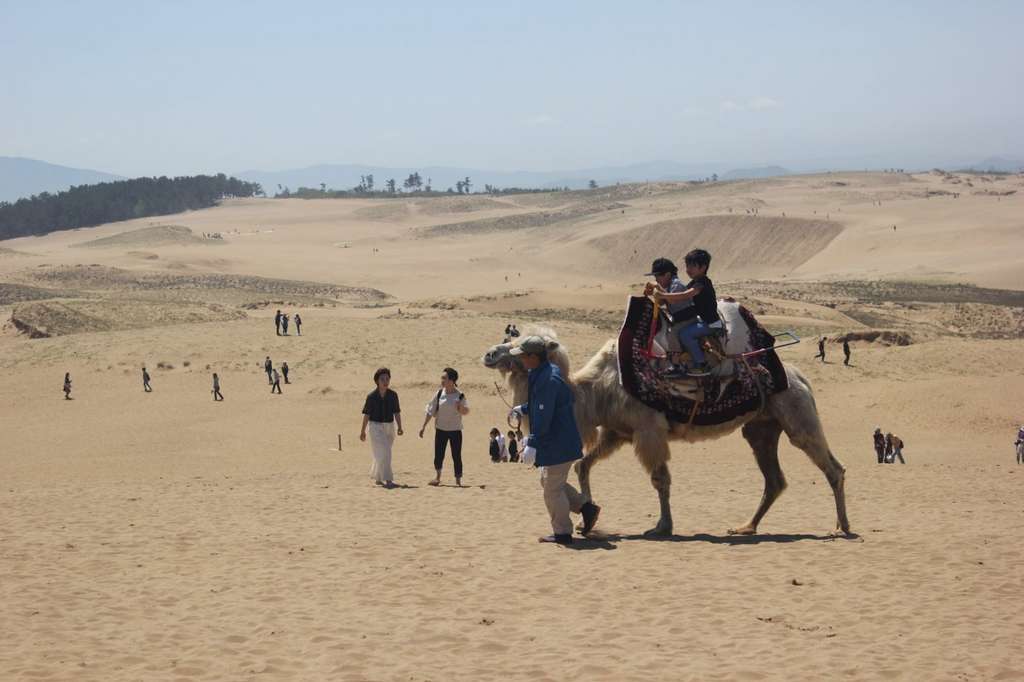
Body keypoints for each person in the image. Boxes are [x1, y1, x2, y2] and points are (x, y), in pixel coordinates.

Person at [509, 336, 600, 544]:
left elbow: (544, 415)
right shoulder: (542, 373)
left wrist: (531, 443)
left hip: (559, 443)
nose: (521, 360)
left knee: (552, 490)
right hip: (559, 442)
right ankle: (585, 507)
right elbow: (539, 404)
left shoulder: (548, 379)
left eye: (523, 356)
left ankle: (562, 533)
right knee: (549, 481)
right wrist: (522, 409)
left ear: (533, 357)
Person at [648, 249, 722, 377]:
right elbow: (674, 299)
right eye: (687, 266)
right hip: (703, 321)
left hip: (711, 324)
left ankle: (702, 364)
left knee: (685, 335)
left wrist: (661, 294)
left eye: (692, 266)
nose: (688, 269)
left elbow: (684, 296)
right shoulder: (693, 283)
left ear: (703, 267)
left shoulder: (702, 283)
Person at [419, 367, 470, 487]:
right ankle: (437, 477)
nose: (442, 380)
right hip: (440, 429)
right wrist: (423, 426)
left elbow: (466, 411)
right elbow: (430, 410)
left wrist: (460, 408)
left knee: (456, 456)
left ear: (452, 380)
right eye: (442, 378)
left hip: (455, 430)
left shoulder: (460, 395)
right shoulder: (439, 393)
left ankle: (458, 480)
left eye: (444, 378)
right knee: (438, 454)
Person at [360, 367, 403, 487]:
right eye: (382, 379)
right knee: (386, 452)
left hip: (389, 426)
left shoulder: (393, 395)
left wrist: (400, 426)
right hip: (375, 426)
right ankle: (388, 479)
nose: (385, 381)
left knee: (381, 453)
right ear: (377, 381)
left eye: (387, 379)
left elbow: (397, 412)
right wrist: (363, 431)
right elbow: (366, 414)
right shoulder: (371, 397)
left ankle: (378, 477)